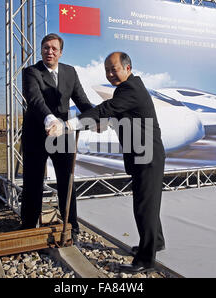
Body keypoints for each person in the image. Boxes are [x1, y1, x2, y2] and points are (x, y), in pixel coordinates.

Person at [56, 52, 166, 273]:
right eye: (106, 70)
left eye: (113, 69)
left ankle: (146, 260)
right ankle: (156, 242)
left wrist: (71, 125)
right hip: (143, 155)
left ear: (127, 68)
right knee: (148, 204)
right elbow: (113, 115)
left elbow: (107, 109)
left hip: (147, 157)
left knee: (144, 207)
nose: (109, 74)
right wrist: (98, 124)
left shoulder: (130, 89)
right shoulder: (128, 89)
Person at [20, 33, 93, 240]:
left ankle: (71, 225)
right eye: (45, 47)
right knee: (32, 181)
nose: (49, 51)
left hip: (63, 136)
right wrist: (50, 119)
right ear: (41, 50)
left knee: (66, 180)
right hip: (36, 135)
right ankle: (28, 227)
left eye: (53, 48)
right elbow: (35, 99)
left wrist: (96, 116)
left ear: (61, 52)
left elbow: (82, 100)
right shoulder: (31, 72)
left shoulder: (70, 72)